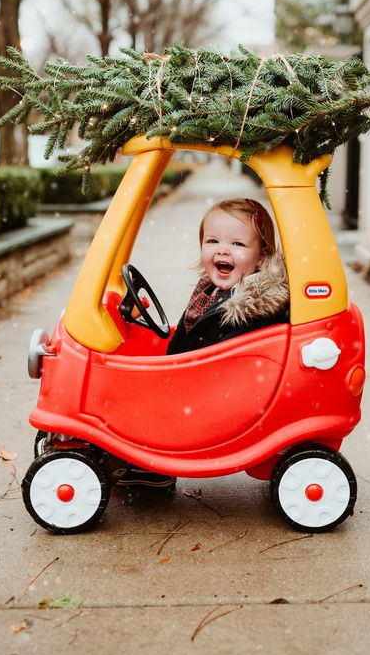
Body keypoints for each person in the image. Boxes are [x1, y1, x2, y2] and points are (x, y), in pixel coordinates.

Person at [117, 198, 290, 493]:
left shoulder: (248, 309)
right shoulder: (211, 292)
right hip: (201, 385)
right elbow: (187, 337)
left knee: (136, 397)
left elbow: (222, 359)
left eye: (237, 244)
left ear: (261, 259)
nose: (222, 250)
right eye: (212, 241)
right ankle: (149, 459)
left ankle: (153, 462)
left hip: (214, 398)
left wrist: (168, 372)